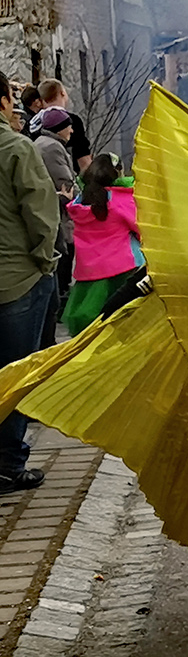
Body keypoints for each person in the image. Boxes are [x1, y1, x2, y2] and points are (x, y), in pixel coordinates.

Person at [0, 74, 54, 494]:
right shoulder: (16, 148)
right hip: (16, 279)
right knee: (15, 373)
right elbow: (40, 213)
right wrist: (44, 261)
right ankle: (8, 463)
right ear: (3, 102)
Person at [59, 154, 142, 335]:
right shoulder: (120, 199)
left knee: (90, 326)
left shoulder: (80, 202)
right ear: (117, 172)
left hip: (88, 273)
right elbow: (141, 228)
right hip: (123, 268)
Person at [31, 108, 75, 348]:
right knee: (53, 292)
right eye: (68, 126)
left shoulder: (43, 144)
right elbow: (66, 187)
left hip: (53, 221)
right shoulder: (52, 148)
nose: (72, 130)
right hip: (56, 222)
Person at [32, 80, 89, 169]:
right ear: (62, 93)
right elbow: (83, 157)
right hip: (67, 174)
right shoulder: (72, 121)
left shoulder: (34, 123)